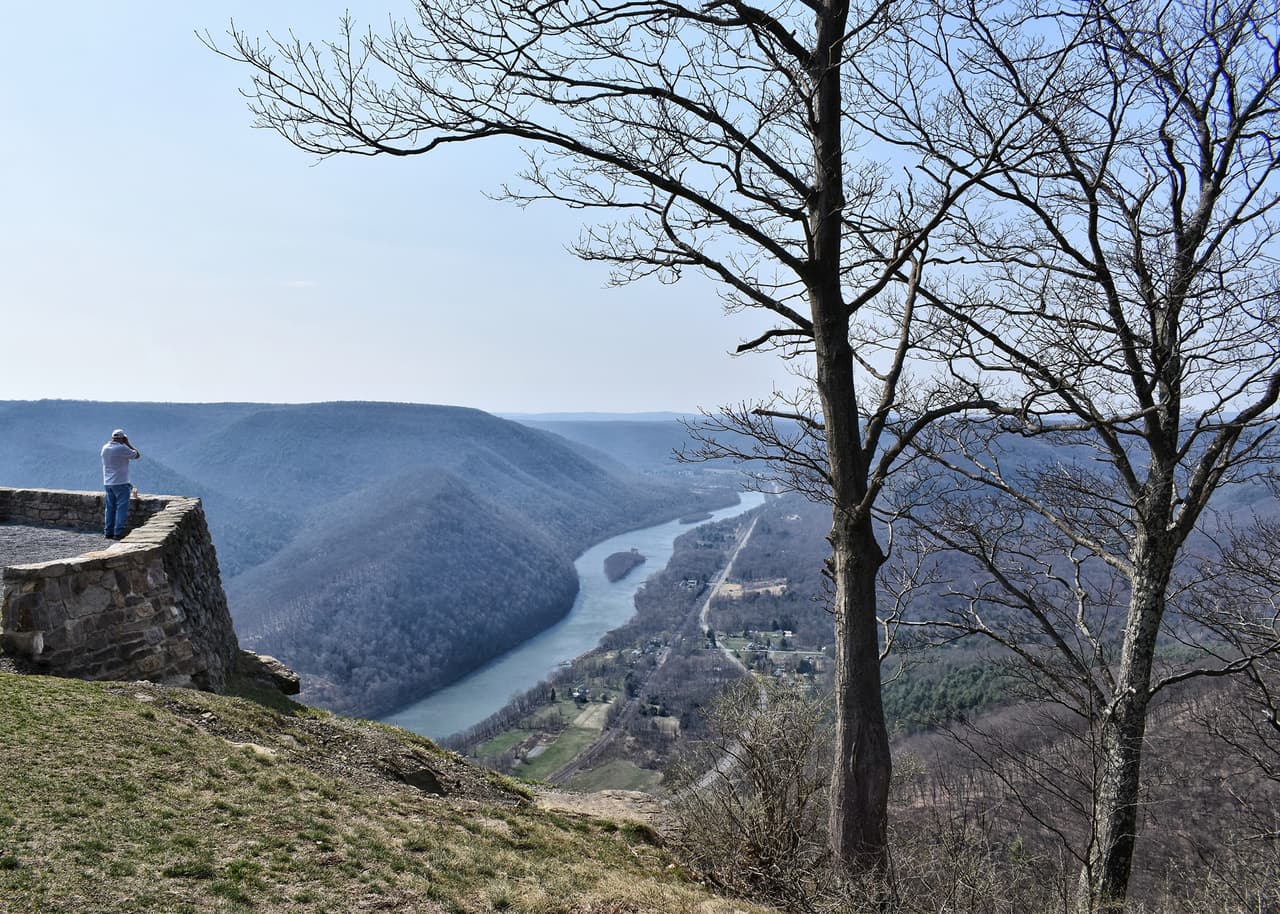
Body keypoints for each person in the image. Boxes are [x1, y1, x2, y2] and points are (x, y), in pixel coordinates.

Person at [101, 429, 142, 539]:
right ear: (122, 438)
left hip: (108, 483)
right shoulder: (122, 448)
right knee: (121, 508)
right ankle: (118, 533)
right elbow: (137, 455)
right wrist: (128, 443)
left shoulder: (105, 447)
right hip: (121, 483)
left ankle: (108, 532)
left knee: (110, 508)